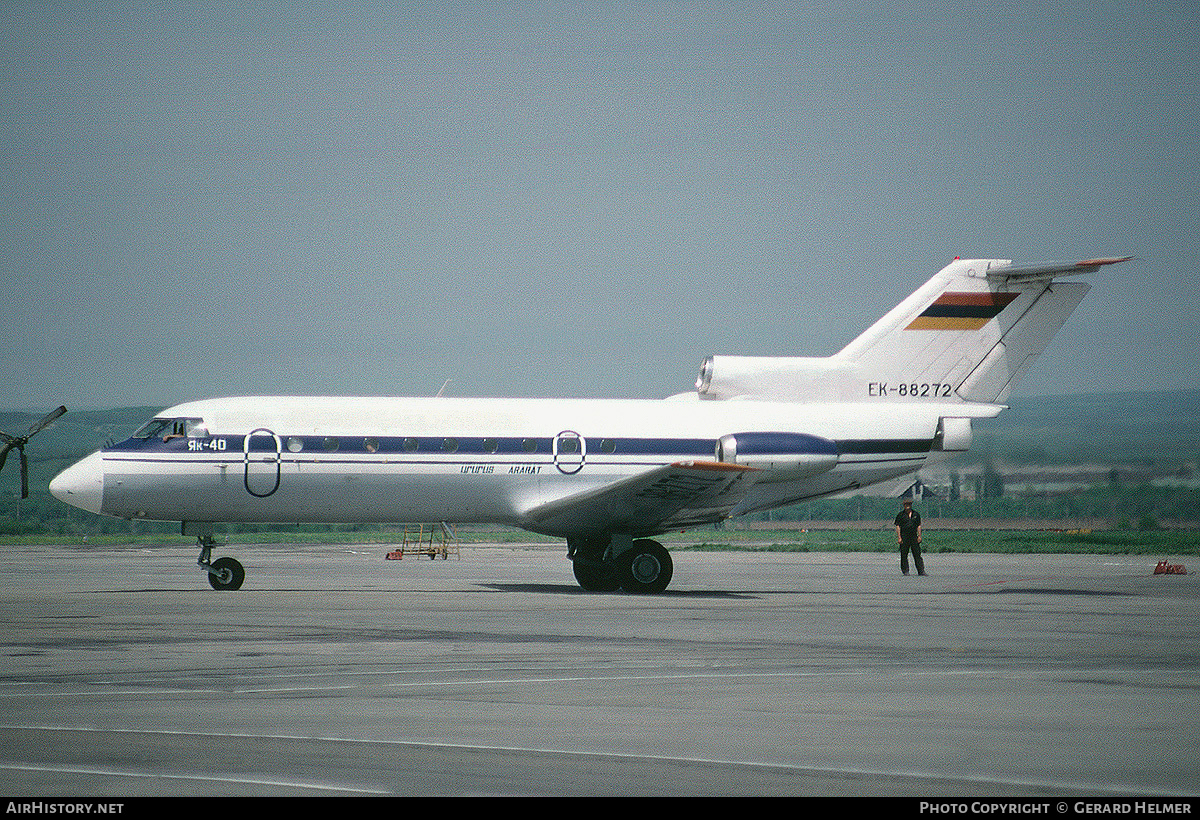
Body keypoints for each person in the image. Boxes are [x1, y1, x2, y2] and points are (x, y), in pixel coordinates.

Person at [894, 497, 925, 576]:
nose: (907, 506)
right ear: (904, 505)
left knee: (917, 554)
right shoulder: (900, 515)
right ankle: (905, 571)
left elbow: (919, 525)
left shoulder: (916, 514)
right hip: (904, 536)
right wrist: (899, 537)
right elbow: (898, 526)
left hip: (913, 536)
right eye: (906, 504)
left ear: (911, 505)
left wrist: (919, 536)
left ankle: (921, 571)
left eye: (909, 504)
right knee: (904, 554)